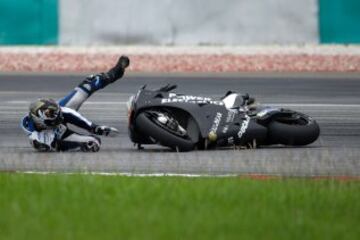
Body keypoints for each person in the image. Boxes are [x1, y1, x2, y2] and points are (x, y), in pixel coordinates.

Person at [21, 56, 130, 152]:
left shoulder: (59, 112)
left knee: (89, 83)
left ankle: (115, 72)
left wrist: (95, 128)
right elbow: (59, 146)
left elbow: (71, 115)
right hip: (61, 136)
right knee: (93, 143)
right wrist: (80, 145)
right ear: (40, 121)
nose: (56, 114)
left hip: (55, 126)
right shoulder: (38, 139)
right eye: (50, 113)